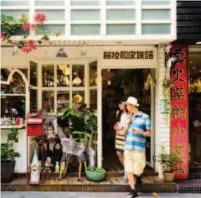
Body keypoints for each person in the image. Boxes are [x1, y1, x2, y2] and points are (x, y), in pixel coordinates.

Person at [124, 96, 151, 198]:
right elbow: (125, 132)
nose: (126, 107)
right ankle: (133, 190)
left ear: (132, 106)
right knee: (129, 169)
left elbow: (149, 133)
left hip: (139, 148)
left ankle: (138, 177)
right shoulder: (129, 117)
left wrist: (140, 132)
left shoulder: (145, 117)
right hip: (128, 146)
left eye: (127, 105)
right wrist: (128, 122)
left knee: (138, 170)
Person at [113, 99, 131, 183]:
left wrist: (123, 129)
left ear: (125, 105)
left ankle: (126, 176)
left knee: (126, 155)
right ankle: (126, 168)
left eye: (121, 104)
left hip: (126, 136)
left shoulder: (129, 114)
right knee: (119, 153)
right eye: (119, 104)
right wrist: (116, 127)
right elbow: (116, 124)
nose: (120, 105)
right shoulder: (118, 113)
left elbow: (129, 126)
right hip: (118, 135)